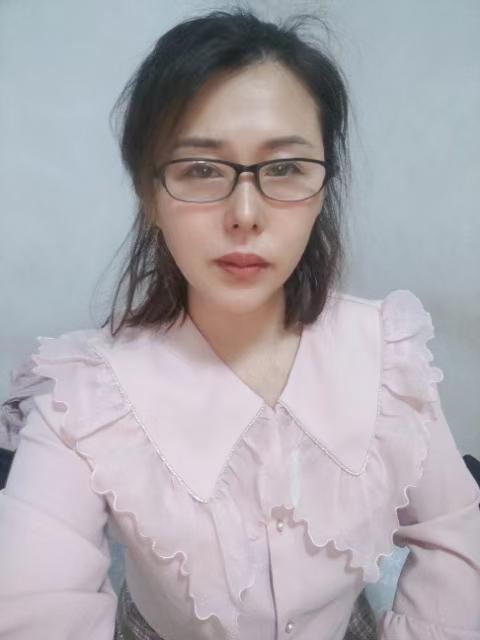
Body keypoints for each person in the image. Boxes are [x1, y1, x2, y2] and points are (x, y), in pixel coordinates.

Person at [0, 8, 479, 640]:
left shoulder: (389, 352)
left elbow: (455, 536)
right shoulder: (83, 394)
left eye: (284, 168)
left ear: (322, 187)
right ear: (149, 193)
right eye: (201, 169)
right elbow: (33, 606)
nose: (245, 214)